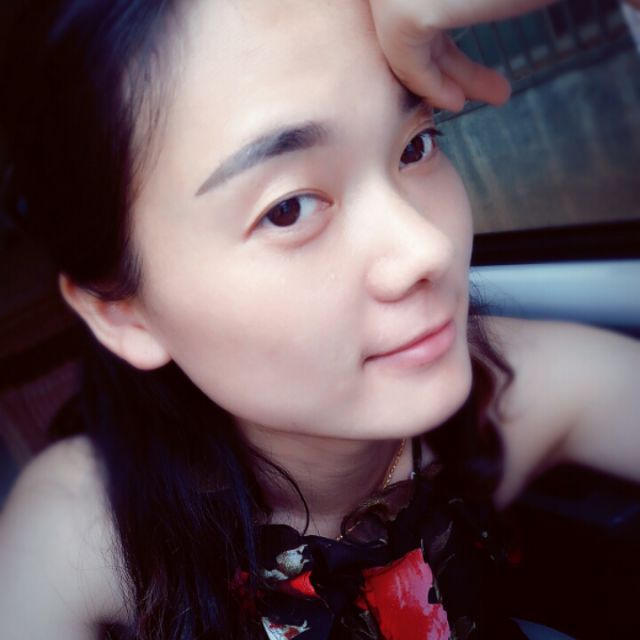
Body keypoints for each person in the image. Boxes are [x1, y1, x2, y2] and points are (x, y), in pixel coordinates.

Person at [0, 0, 638, 638]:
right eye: (289, 209)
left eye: (415, 145)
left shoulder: (502, 390)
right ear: (122, 312)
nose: (428, 248)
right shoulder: (75, 536)